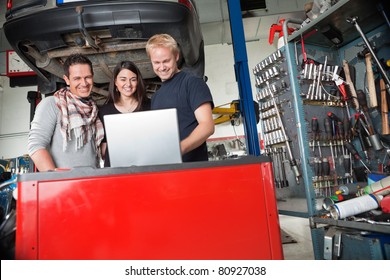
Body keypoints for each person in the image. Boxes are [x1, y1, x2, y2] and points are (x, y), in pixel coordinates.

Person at [28, 53, 104, 171]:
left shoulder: (93, 108)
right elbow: (35, 146)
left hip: (91, 181)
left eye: (88, 77)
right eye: (77, 78)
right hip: (64, 185)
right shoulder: (52, 104)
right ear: (67, 80)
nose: (84, 83)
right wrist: (53, 176)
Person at [145, 33, 215, 162]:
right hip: (166, 168)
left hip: (192, 169)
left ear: (176, 56)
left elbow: (207, 126)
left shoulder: (192, 83)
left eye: (166, 61)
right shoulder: (156, 97)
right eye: (156, 62)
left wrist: (178, 149)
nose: (162, 67)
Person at [98, 60, 151, 167]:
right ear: (115, 83)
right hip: (115, 170)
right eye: (123, 79)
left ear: (138, 82)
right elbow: (103, 150)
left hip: (145, 166)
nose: (128, 84)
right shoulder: (104, 111)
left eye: (133, 79)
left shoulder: (149, 106)